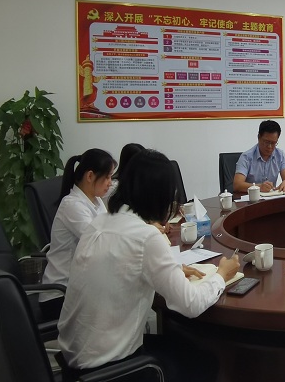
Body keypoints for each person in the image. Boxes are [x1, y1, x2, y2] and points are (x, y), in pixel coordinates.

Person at [58, 149, 240, 380]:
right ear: (160, 196)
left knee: (181, 344)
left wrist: (171, 270)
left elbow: (122, 267)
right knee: (206, 361)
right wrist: (222, 275)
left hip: (74, 361)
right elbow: (191, 304)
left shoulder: (101, 221)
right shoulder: (146, 236)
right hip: (109, 370)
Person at [42, 149, 116, 304]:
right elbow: (99, 243)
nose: (110, 183)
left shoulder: (96, 200)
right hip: (60, 295)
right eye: (107, 177)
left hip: (81, 287)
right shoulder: (72, 205)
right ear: (90, 176)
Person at [233, 120, 285, 193]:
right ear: (259, 137)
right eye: (266, 142)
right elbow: (237, 185)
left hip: (271, 197)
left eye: (273, 143)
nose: (269, 146)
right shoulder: (246, 157)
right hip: (251, 198)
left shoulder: (280, 155)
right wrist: (259, 187)